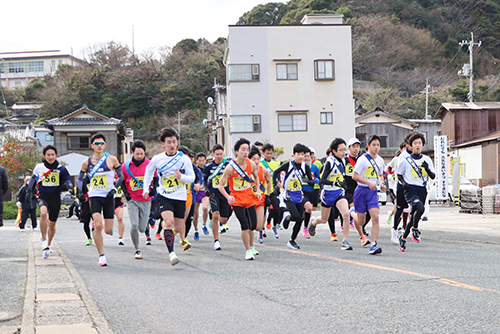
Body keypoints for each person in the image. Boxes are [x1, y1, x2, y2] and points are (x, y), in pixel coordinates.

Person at [143, 128, 195, 266]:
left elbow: (192, 178)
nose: (172, 144)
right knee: (169, 222)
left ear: (177, 142)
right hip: (165, 196)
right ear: (163, 144)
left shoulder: (184, 159)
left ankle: (168, 233)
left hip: (180, 197)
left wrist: (181, 177)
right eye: (168, 142)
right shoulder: (157, 159)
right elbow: (149, 172)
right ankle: (172, 254)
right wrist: (146, 188)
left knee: (177, 228)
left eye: (174, 141)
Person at [78, 134, 123, 266]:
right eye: (96, 143)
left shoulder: (112, 160)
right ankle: (101, 256)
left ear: (105, 145)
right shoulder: (86, 162)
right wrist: (80, 192)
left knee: (108, 230)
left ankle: (101, 224)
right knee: (98, 226)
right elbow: (80, 179)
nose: (99, 146)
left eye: (101, 143)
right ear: (92, 146)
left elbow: (121, 177)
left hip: (108, 196)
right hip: (95, 196)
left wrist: (114, 189)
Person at [219, 138, 262, 260]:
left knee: (253, 225)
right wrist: (228, 197)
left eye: (247, 150)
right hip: (236, 199)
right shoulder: (230, 168)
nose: (245, 152)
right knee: (245, 224)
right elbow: (220, 185)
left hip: (249, 197)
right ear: (236, 151)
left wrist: (257, 190)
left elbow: (256, 177)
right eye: (243, 149)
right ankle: (248, 250)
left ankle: (251, 246)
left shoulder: (251, 164)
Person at [309, 138, 353, 250]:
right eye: (341, 150)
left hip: (339, 193)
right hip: (328, 193)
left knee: (346, 214)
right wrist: (335, 182)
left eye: (345, 149)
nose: (344, 152)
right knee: (324, 219)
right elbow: (322, 180)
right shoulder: (329, 162)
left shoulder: (344, 161)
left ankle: (345, 241)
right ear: (334, 151)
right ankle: (313, 223)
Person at [28, 145, 72, 258]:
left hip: (55, 198)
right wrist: (30, 191)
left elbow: (68, 181)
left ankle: (48, 244)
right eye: (48, 155)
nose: (50, 157)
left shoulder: (61, 169)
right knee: (43, 214)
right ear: (44, 156)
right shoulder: (39, 167)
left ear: (56, 155)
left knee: (52, 225)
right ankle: (44, 239)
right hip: (43, 196)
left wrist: (67, 186)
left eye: (52, 155)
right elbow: (33, 178)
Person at [272, 143, 315, 250]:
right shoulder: (288, 165)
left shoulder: (305, 167)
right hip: (288, 195)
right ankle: (288, 218)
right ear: (293, 154)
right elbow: (275, 172)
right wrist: (275, 184)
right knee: (296, 216)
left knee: (300, 219)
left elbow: (309, 180)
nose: (301, 157)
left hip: (299, 195)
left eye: (302, 154)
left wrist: (311, 182)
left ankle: (292, 240)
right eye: (298, 154)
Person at [397, 132, 435, 252]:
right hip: (410, 190)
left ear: (423, 145)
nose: (417, 145)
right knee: (420, 208)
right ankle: (415, 229)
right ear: (410, 146)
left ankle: (403, 238)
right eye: (415, 143)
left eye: (420, 143)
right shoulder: (405, 160)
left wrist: (427, 168)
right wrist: (404, 184)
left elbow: (433, 176)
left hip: (422, 190)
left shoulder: (427, 159)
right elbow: (399, 175)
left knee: (414, 216)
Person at [352, 135, 386, 255]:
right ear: (368, 146)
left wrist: (381, 184)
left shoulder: (380, 160)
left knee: (375, 217)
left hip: (372, 192)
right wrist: (368, 183)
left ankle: (373, 244)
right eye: (374, 145)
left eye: (378, 145)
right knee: (361, 222)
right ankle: (353, 214)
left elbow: (380, 175)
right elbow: (354, 176)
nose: (376, 147)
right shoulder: (362, 159)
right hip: (361, 191)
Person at [121, 140, 153, 260]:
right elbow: (122, 181)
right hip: (133, 200)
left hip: (146, 200)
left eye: (141, 154)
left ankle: (143, 231)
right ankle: (137, 249)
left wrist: (153, 190)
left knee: (142, 228)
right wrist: (126, 194)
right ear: (132, 153)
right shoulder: (126, 166)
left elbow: (155, 179)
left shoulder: (150, 164)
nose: (139, 156)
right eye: (137, 154)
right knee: (134, 225)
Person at [203, 144, 231, 251]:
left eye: (221, 154)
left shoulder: (228, 164)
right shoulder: (208, 167)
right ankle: (216, 241)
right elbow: (204, 180)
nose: (219, 156)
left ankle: (216, 216)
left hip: (226, 193)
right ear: (213, 154)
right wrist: (206, 189)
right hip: (214, 193)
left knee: (223, 220)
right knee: (215, 215)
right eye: (217, 154)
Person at [249, 146, 271, 244]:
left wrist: (268, 195)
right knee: (250, 224)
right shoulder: (245, 171)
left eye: (258, 159)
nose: (256, 161)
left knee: (259, 226)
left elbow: (268, 181)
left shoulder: (264, 170)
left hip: (260, 198)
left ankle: (260, 232)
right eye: (254, 159)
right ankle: (249, 242)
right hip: (249, 199)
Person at [260, 143, 281, 239]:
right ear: (263, 153)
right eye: (267, 153)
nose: (269, 155)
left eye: (271, 153)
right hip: (263, 191)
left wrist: (279, 183)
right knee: (262, 212)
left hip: (273, 190)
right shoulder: (260, 164)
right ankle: (261, 229)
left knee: (277, 209)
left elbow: (278, 175)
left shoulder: (277, 163)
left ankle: (274, 226)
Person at [302, 147, 320, 238]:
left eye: (308, 156)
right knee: (305, 209)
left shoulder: (314, 167)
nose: (306, 158)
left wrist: (316, 180)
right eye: (304, 156)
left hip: (311, 191)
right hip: (301, 192)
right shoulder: (299, 167)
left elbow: (318, 177)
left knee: (310, 209)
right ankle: (303, 226)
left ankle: (305, 227)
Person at [193, 153, 210, 239]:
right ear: (197, 161)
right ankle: (196, 230)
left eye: (203, 160)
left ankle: (204, 225)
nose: (201, 162)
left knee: (205, 208)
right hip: (196, 193)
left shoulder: (207, 169)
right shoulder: (194, 169)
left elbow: (207, 181)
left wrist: (202, 186)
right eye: (199, 160)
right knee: (195, 215)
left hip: (204, 193)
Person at [114, 179, 126, 246]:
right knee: (107, 226)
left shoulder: (121, 178)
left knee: (120, 218)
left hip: (118, 201)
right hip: (109, 202)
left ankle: (120, 238)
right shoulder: (108, 176)